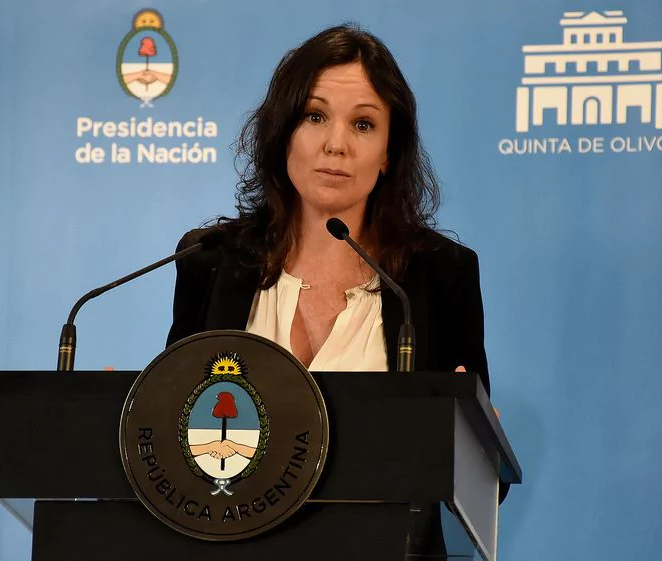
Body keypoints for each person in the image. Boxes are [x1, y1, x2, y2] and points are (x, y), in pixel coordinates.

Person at [166, 24, 499, 554]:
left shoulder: (441, 274)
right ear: (283, 132)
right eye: (315, 116)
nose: (336, 144)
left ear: (388, 152)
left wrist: (476, 449)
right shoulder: (210, 261)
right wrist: (129, 415)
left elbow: (483, 489)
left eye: (363, 124)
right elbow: (178, 439)